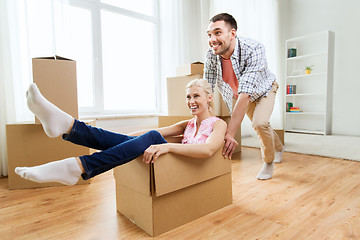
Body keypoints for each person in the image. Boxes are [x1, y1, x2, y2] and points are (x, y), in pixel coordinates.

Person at [15, 79, 227, 185]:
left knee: (153, 138)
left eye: (196, 96)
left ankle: (69, 129)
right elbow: (152, 131)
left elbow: (208, 150)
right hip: (170, 160)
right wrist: (125, 139)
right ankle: (68, 129)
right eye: (188, 97)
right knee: (148, 136)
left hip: (186, 166)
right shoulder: (187, 124)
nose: (191, 101)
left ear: (209, 97)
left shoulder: (218, 124)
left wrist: (169, 145)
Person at [204, 13, 283, 180]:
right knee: (263, 126)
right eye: (209, 34)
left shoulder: (254, 49)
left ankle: (268, 161)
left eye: (217, 33)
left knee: (260, 123)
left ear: (232, 33)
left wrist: (230, 133)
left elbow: (246, 93)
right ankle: (279, 146)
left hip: (263, 90)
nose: (212, 39)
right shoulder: (211, 55)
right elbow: (207, 87)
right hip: (236, 94)